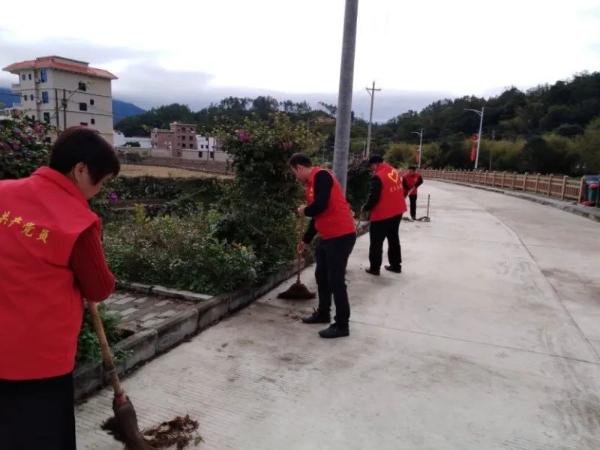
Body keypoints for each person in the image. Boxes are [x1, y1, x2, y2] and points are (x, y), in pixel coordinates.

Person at [0, 126, 120, 449]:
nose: (99, 190)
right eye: (101, 181)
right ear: (80, 169)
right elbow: (99, 288)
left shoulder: (2, 192)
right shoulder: (77, 221)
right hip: (38, 361)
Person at [290, 153, 356, 339]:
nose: (296, 177)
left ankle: (342, 324)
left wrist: (305, 210)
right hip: (327, 236)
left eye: (294, 172)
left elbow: (320, 206)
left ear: (299, 168)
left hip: (341, 235)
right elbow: (317, 216)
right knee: (321, 276)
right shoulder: (311, 184)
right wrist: (305, 240)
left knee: (335, 280)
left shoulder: (321, 176)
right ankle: (323, 313)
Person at [362, 154, 407, 276]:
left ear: (376, 164)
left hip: (383, 214)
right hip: (398, 211)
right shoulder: (394, 171)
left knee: (376, 242)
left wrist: (365, 208)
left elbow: (373, 198)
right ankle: (396, 265)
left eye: (371, 166)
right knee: (393, 239)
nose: (371, 169)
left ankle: (374, 268)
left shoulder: (378, 176)